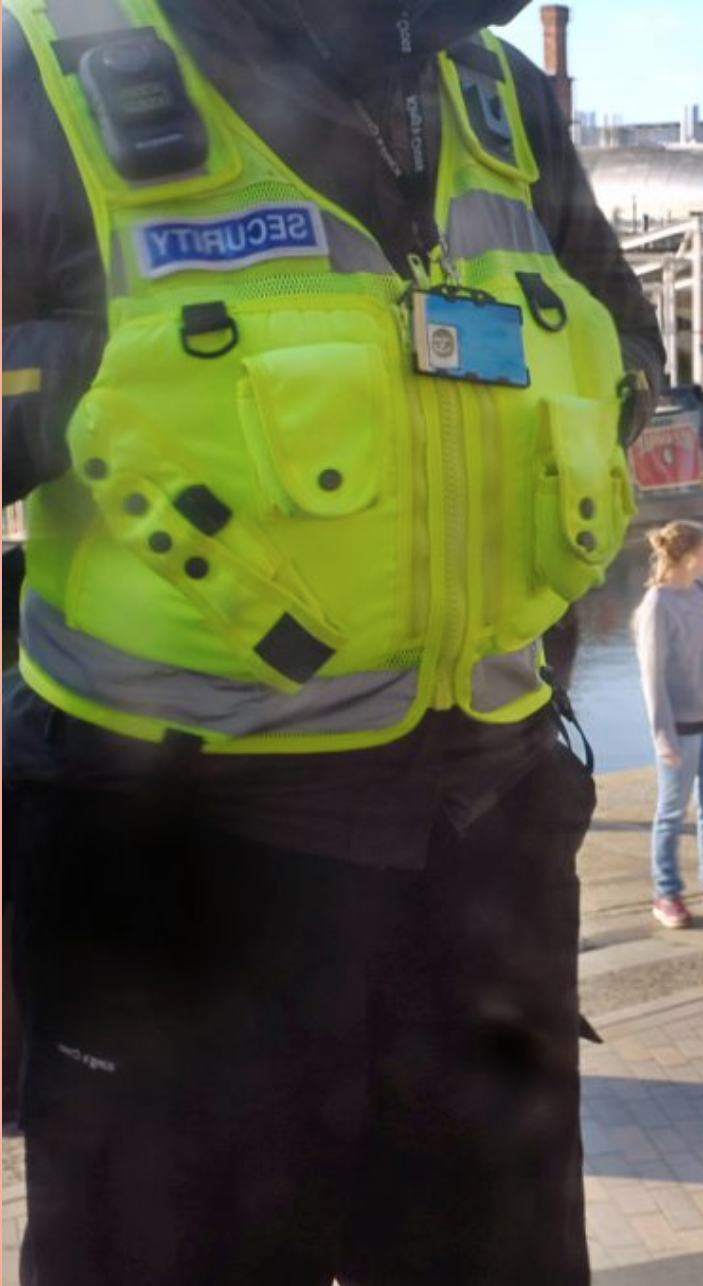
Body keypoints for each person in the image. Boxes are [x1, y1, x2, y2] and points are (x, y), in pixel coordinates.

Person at [2, 1, 665, 1282]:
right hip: (179, 888)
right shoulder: (45, 69)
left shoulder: (499, 93)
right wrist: (81, 378)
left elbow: (624, 345)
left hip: (481, 867)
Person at [634, 520, 703, 931]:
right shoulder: (657, 606)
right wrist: (662, 736)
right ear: (687, 557)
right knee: (671, 813)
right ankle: (666, 895)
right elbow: (652, 677)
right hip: (681, 729)